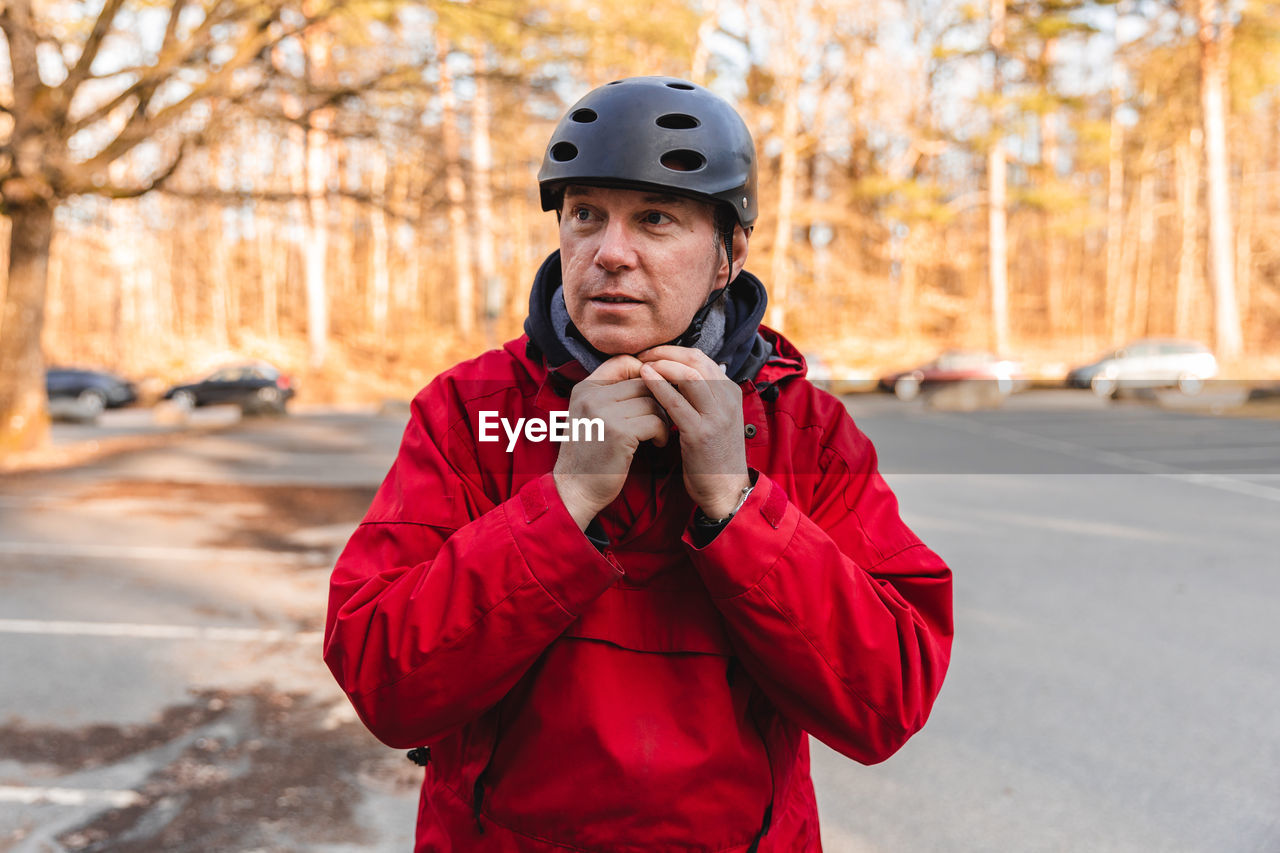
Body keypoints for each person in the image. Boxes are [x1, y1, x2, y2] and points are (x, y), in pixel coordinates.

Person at [324, 76, 953, 852]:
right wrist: (563, 503)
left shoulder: (807, 428)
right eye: (586, 214)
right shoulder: (469, 410)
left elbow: (886, 701)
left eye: (655, 218)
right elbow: (385, 683)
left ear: (729, 255)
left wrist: (737, 502)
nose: (609, 252)